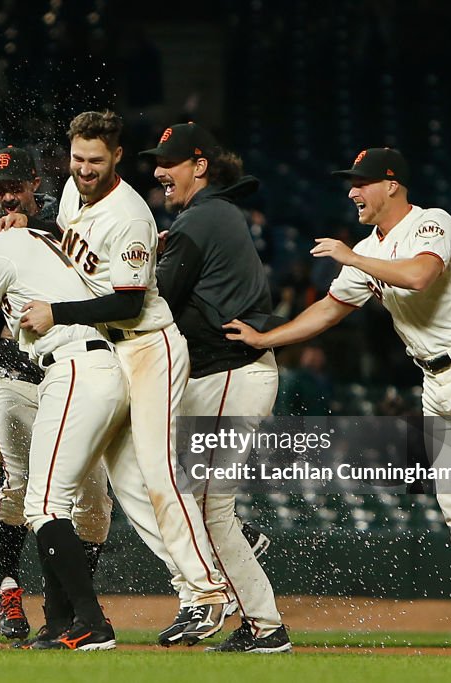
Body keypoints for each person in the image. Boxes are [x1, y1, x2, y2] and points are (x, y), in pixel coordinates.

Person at [224, 147, 451, 656]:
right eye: (350, 183)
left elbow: (419, 275)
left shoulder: (433, 223)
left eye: (360, 182)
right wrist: (263, 341)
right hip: (435, 380)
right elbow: (327, 311)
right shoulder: (367, 248)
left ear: (391, 184)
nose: (351, 191)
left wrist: (351, 257)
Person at [18, 110, 230, 645]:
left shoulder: (129, 214)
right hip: (113, 352)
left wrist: (56, 313)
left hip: (148, 346)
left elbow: (130, 304)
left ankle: (211, 591)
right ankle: (194, 589)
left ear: (116, 157)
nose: (84, 169)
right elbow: (71, 250)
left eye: (95, 159)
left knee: (158, 473)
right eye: (77, 158)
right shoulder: (71, 192)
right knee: (133, 488)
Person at [144, 122, 290, 653]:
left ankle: (264, 625)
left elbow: (154, 300)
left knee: (206, 507)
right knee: (186, 496)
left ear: (199, 165)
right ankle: (259, 617)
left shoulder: (202, 218)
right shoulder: (209, 216)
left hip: (230, 370)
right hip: (223, 374)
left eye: (171, 162)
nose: (159, 170)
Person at [0, 224, 126, 650]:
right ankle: (62, 620)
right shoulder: (39, 247)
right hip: (90, 366)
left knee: (44, 504)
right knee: (64, 502)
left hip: (74, 368)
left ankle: (91, 623)